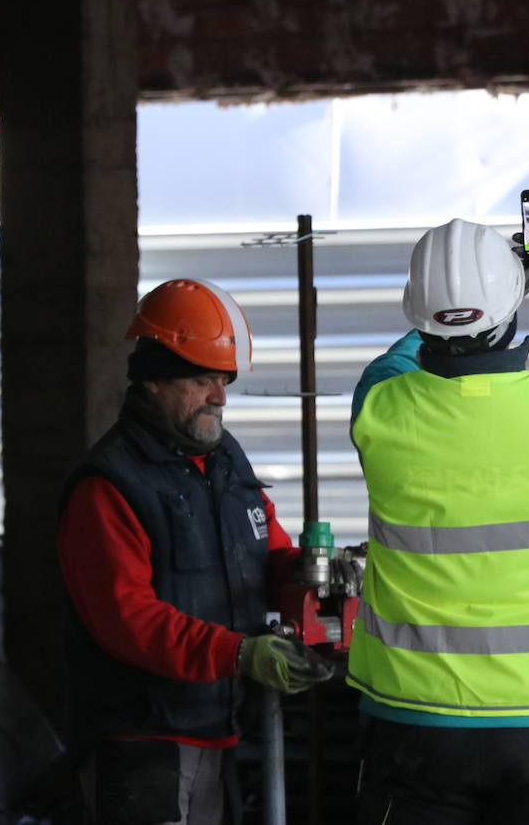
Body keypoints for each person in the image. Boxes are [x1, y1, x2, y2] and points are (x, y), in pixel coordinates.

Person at [347, 219, 529, 825]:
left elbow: (397, 362)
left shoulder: (379, 412)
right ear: (507, 312)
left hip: (414, 723)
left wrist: (482, 299)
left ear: (418, 316)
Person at [58, 277, 332, 825]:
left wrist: (313, 576)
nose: (220, 397)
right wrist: (237, 654)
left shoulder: (224, 458)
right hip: (142, 747)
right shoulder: (110, 486)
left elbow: (267, 554)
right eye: (203, 380)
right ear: (154, 382)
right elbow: (128, 619)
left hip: (219, 731)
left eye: (224, 380)